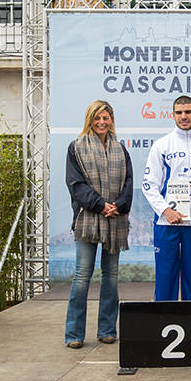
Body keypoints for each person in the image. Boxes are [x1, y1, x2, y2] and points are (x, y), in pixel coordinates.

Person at [64, 100, 133, 348]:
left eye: (106, 118)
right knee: (82, 277)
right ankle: (74, 334)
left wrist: (119, 205)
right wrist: (100, 204)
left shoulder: (120, 149)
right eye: (97, 118)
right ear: (90, 120)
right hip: (88, 220)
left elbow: (128, 182)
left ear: (111, 120)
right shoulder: (76, 147)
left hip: (115, 221)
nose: (102, 122)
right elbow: (75, 185)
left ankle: (107, 330)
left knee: (111, 277)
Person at [142, 95, 191, 301]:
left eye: (187, 112)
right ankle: (162, 321)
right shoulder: (161, 145)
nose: (183, 116)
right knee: (166, 276)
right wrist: (166, 210)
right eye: (179, 112)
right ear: (173, 115)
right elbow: (149, 185)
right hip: (167, 221)